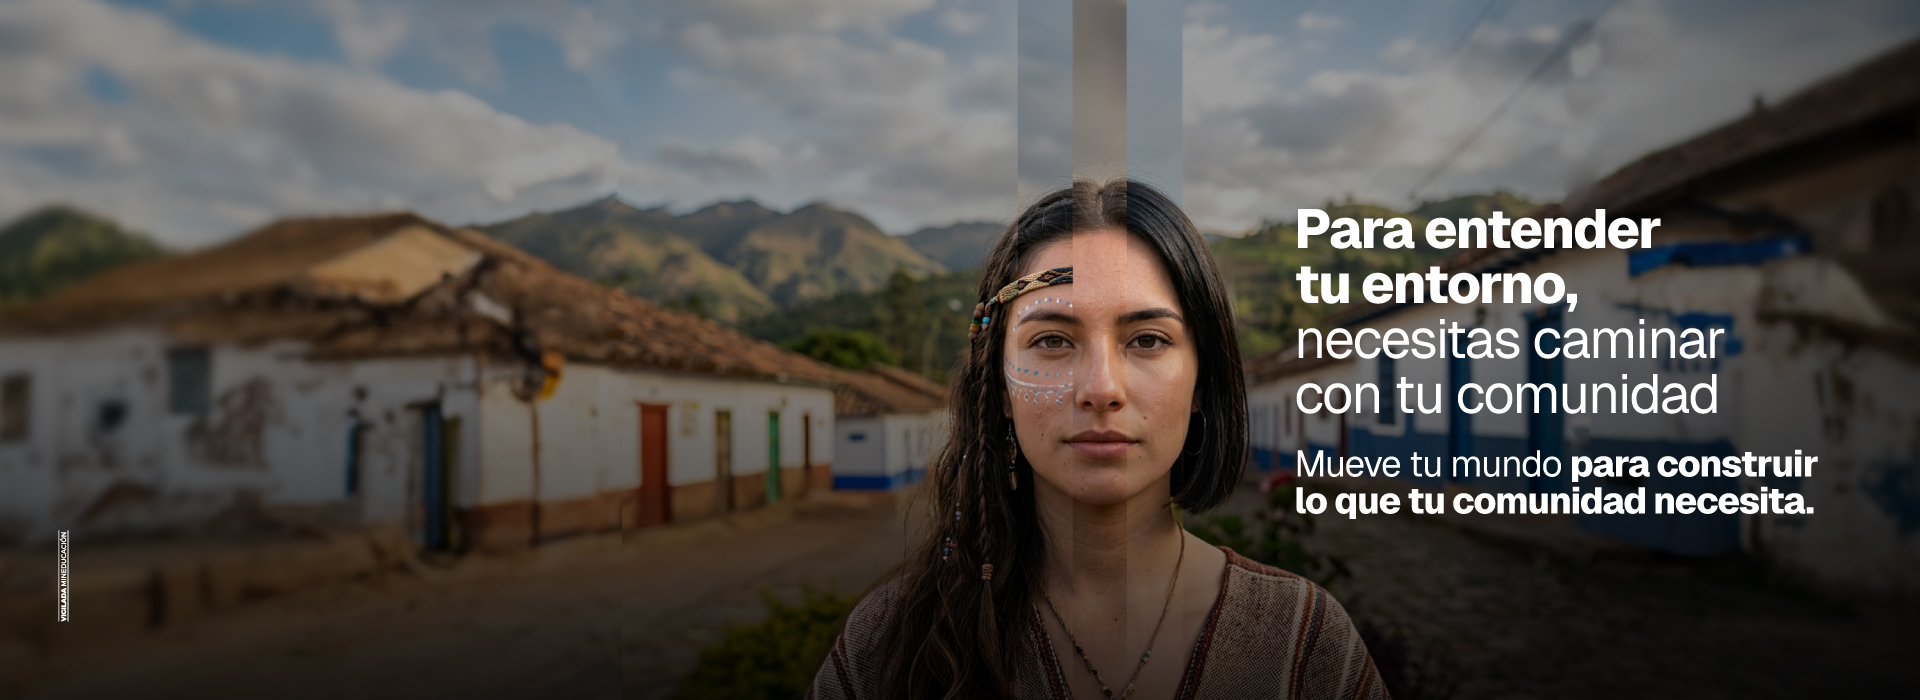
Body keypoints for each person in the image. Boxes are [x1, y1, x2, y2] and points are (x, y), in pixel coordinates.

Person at [811, 180, 1387, 699]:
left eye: (1148, 340)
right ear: (1000, 388)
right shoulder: (888, 651)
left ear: (1199, 381)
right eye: (1053, 342)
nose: (1101, 389)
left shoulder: (1303, 648)